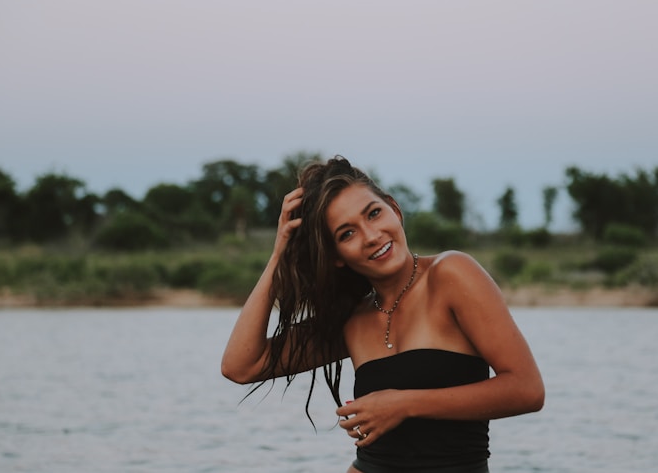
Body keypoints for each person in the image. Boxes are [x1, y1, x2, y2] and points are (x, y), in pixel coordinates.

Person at [221, 156, 544, 473]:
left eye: (374, 214)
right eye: (347, 234)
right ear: (337, 257)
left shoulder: (451, 275)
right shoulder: (352, 318)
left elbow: (526, 389)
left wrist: (403, 404)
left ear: (395, 209)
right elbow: (241, 366)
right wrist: (280, 253)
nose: (371, 235)